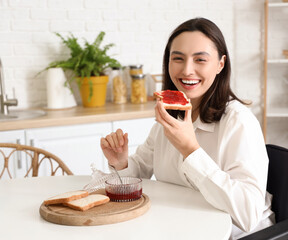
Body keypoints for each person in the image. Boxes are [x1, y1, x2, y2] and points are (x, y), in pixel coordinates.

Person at [100, 17, 274, 239]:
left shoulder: (239, 121)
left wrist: (191, 150)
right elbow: (139, 173)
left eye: (200, 59)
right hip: (184, 227)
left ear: (220, 64)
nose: (187, 70)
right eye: (178, 59)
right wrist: (121, 162)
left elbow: (248, 215)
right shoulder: (170, 116)